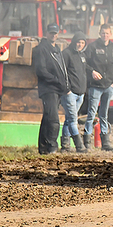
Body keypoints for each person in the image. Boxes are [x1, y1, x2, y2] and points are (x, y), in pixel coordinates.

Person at [83, 23, 113, 151]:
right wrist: (92, 72)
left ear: (111, 34)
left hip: (109, 86)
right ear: (99, 34)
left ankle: (105, 143)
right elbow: (84, 63)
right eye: (103, 33)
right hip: (95, 86)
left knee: (104, 114)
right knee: (91, 113)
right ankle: (87, 142)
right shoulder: (92, 47)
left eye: (107, 33)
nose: (105, 35)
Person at [32, 24, 69, 155]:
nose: (53, 35)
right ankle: (52, 146)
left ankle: (43, 148)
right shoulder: (41, 49)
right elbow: (40, 70)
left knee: (47, 117)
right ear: (46, 33)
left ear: (58, 34)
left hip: (56, 88)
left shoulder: (57, 49)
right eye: (51, 33)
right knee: (53, 118)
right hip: (48, 88)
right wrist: (56, 80)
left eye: (55, 33)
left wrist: (64, 84)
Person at [60, 32, 88, 153]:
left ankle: (65, 146)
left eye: (82, 43)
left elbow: (83, 72)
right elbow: (61, 72)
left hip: (80, 93)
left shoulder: (82, 55)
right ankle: (79, 145)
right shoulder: (66, 54)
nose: (80, 45)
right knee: (73, 119)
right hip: (70, 93)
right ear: (73, 42)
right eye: (78, 42)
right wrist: (67, 90)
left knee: (68, 119)